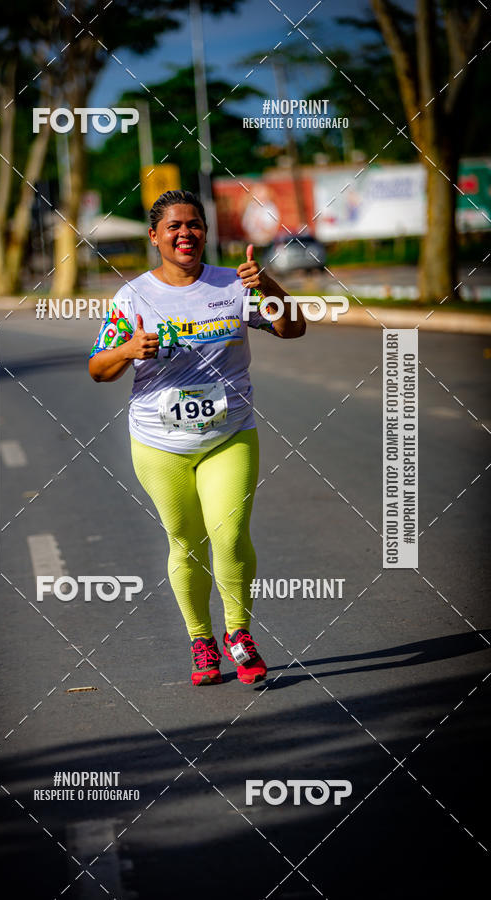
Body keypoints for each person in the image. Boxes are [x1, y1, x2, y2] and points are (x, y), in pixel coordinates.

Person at [88, 190, 305, 686]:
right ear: (154, 236)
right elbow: (98, 370)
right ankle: (201, 642)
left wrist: (268, 283)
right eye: (174, 227)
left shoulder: (234, 284)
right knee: (185, 542)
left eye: (194, 225)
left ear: (205, 233)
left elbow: (293, 330)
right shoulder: (133, 297)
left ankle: (239, 633)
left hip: (230, 434)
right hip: (158, 443)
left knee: (228, 535)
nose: (186, 233)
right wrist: (126, 349)